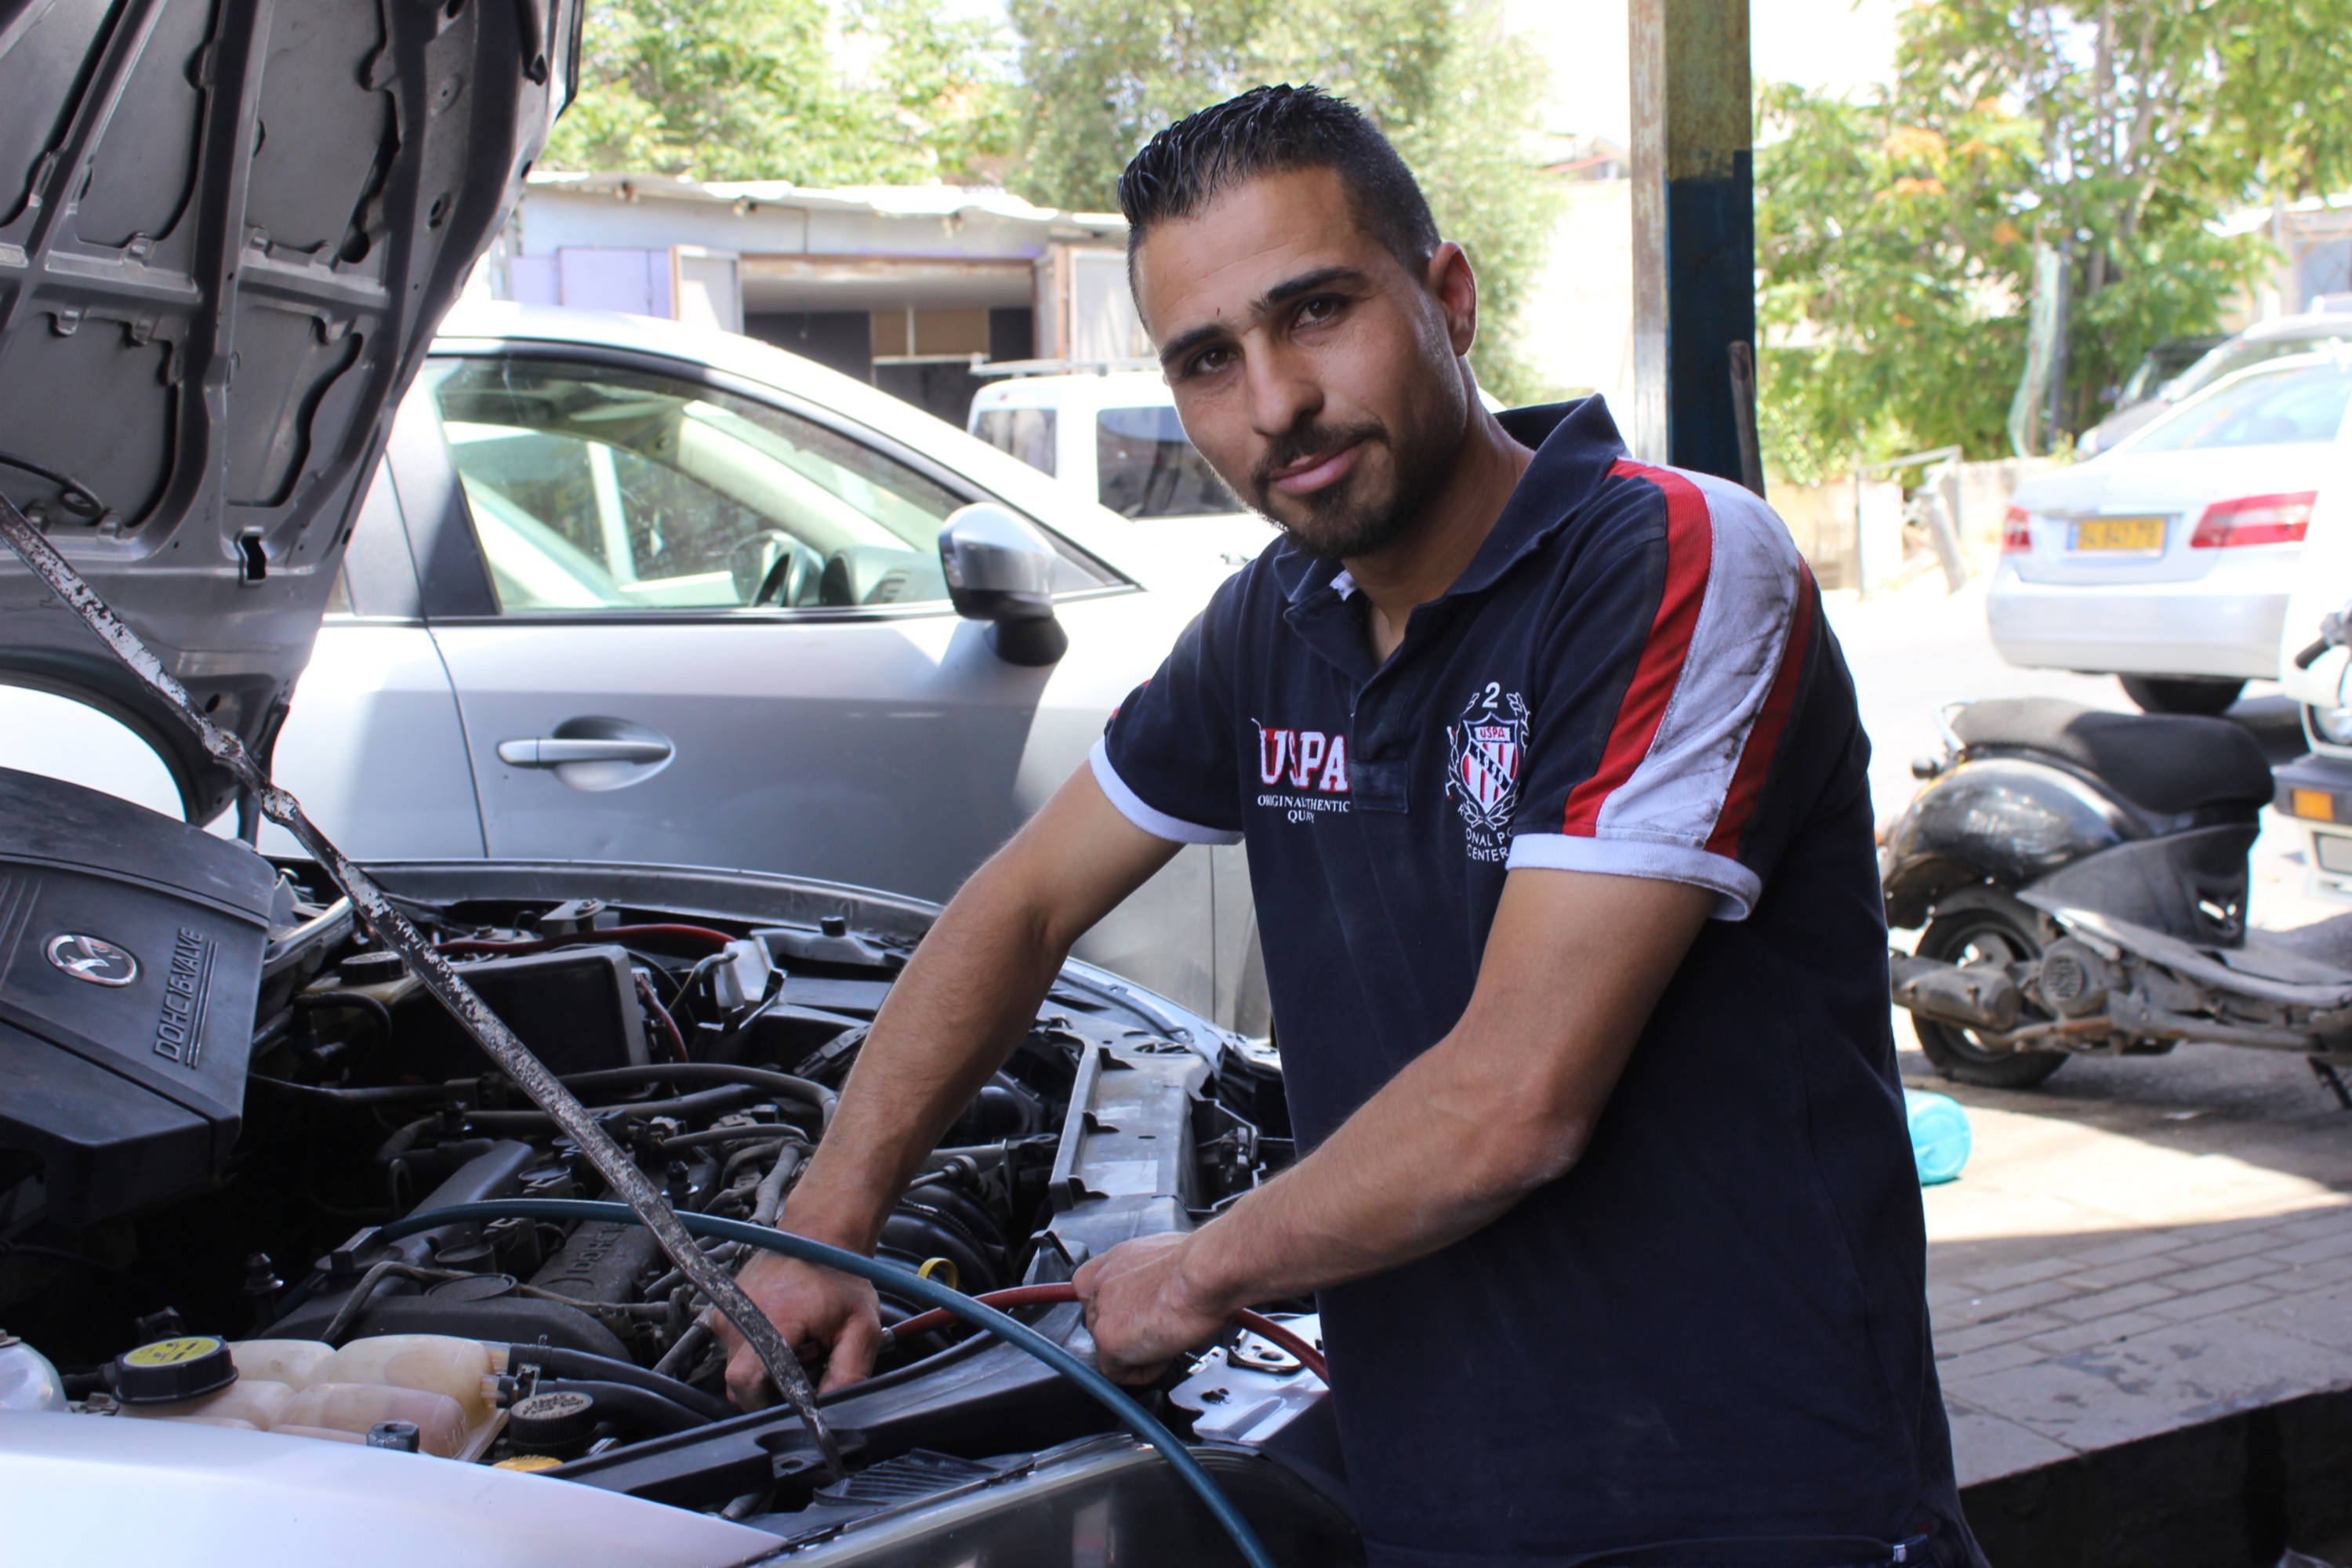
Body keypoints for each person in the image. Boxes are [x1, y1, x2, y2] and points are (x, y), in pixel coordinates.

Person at [717, 84, 1982, 1568]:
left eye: (1316, 312)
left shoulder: (1670, 564)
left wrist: (1197, 1272)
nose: (1273, 405)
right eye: (1208, 360)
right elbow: (1025, 907)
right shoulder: (1276, 622)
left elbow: (1513, 1104)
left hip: (1751, 1505)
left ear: (1446, 294)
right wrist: (831, 1222)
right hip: (1437, 1494)